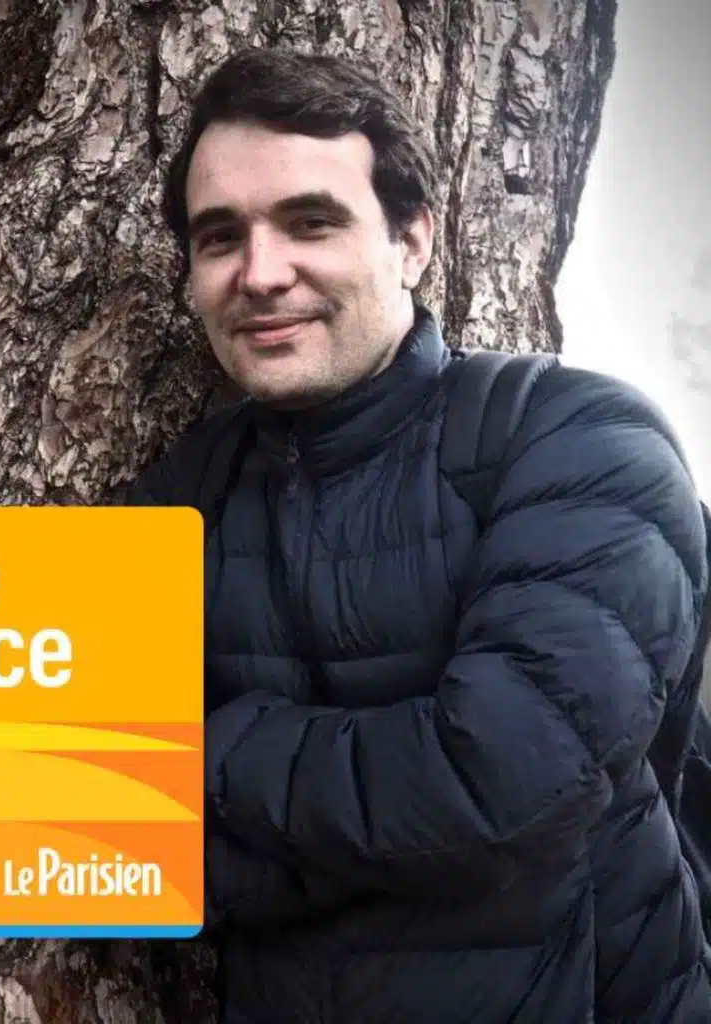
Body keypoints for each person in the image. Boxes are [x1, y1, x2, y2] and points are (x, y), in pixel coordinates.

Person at [130, 48, 711, 1023]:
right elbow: (109, 823)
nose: (260, 274)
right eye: (220, 237)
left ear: (410, 240)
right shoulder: (182, 497)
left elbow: (504, 790)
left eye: (310, 222)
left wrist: (206, 753)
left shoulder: (578, 439)